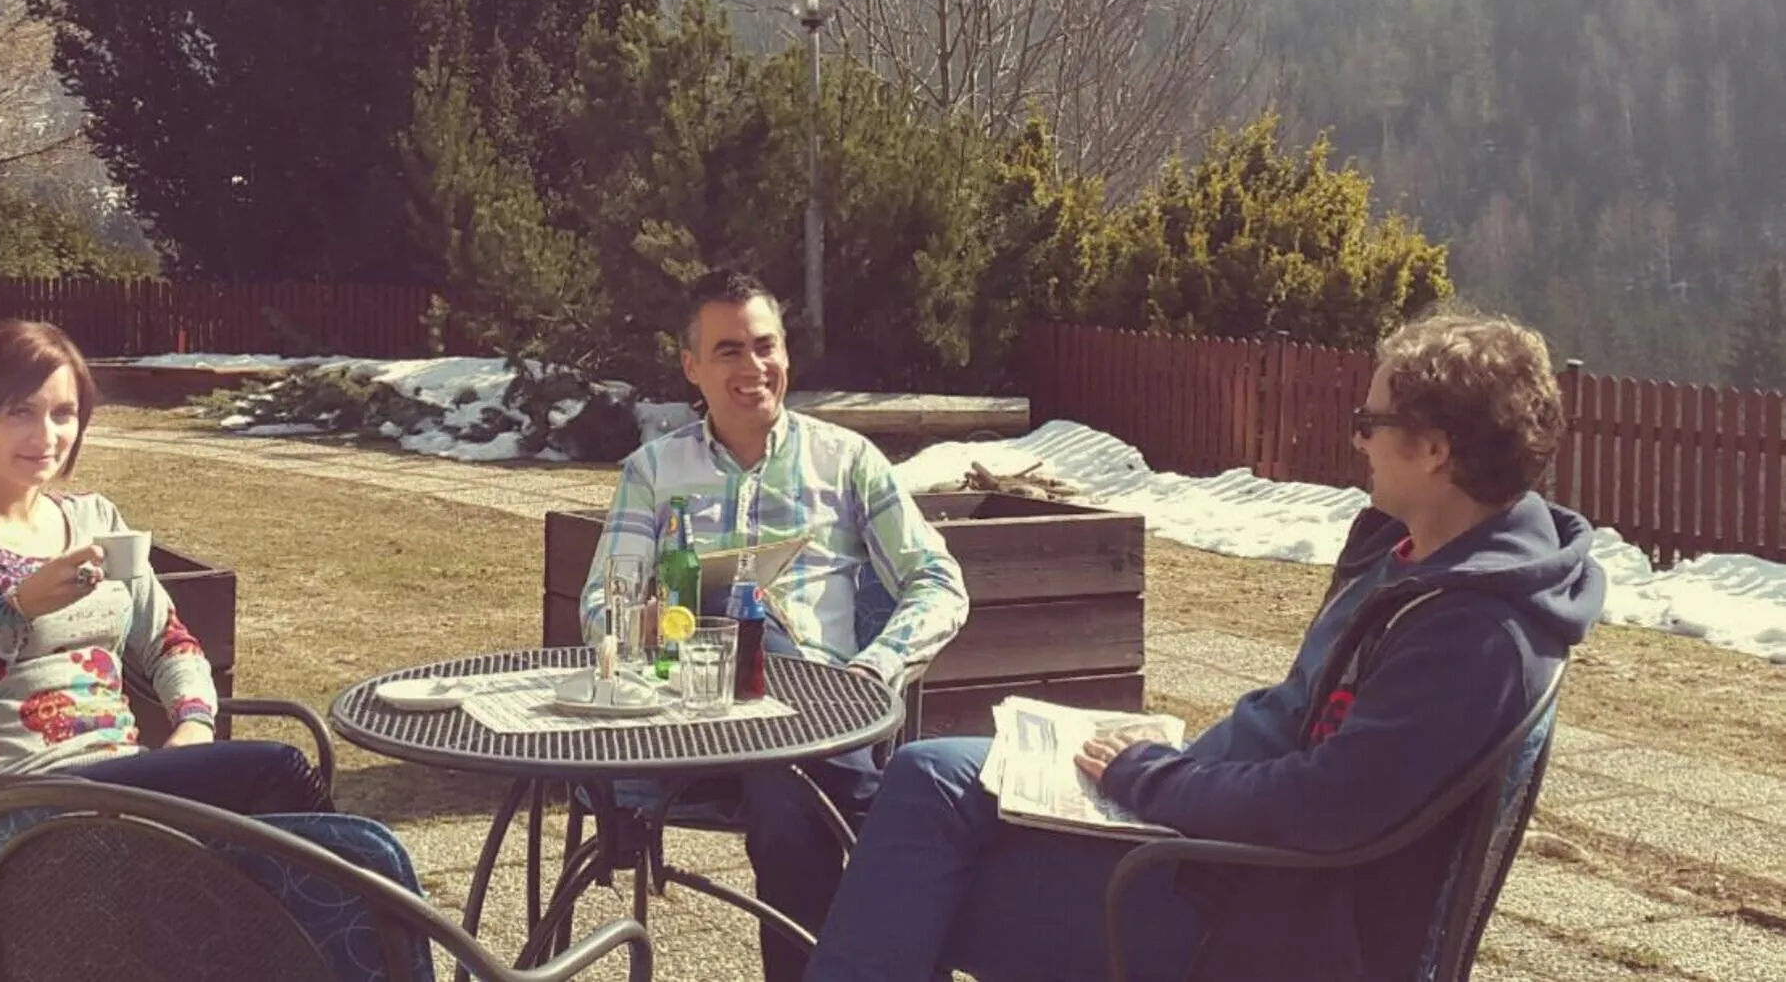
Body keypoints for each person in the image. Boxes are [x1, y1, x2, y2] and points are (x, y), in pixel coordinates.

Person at [806, 306, 1607, 982]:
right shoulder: (1429, 552)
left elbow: (1323, 807)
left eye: (1371, 423)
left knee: (914, 883)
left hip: (1243, 910)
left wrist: (1152, 777)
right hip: (1214, 830)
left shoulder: (1475, 632)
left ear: (1434, 449)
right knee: (926, 773)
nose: (1357, 440)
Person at [582, 268, 971, 982]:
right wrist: (669, 624)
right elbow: (602, 605)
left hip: (821, 707)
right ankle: (899, 866)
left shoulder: (846, 462)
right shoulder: (653, 472)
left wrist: (874, 669)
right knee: (812, 769)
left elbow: (939, 580)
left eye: (766, 345)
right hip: (687, 717)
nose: (753, 366)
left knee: (784, 785)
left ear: (787, 354)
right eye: (729, 349)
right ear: (691, 366)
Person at [0, 318, 328, 866]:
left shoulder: (96, 519)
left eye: (62, 413)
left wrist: (193, 722)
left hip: (122, 784)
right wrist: (16, 614)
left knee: (306, 850)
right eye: (21, 411)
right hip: (14, 812)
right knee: (278, 778)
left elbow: (170, 642)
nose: (46, 437)